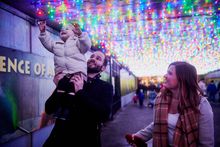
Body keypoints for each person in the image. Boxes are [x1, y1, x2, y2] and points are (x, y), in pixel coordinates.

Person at [126, 61, 214, 147]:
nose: (165, 76)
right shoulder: (161, 99)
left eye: (170, 73)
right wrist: (138, 136)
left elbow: (206, 144)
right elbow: (158, 124)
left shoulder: (201, 104)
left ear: (182, 78)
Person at [43, 51, 113, 147]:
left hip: (86, 140)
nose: (93, 58)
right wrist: (59, 88)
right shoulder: (70, 80)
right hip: (58, 139)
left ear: (103, 68)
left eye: (98, 58)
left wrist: (80, 92)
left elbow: (105, 115)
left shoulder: (105, 87)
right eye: (92, 56)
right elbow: (49, 109)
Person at [38, 20, 91, 119]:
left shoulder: (77, 42)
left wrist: (81, 34)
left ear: (74, 32)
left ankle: (68, 110)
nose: (63, 30)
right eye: (61, 30)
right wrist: (43, 33)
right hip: (63, 74)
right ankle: (60, 110)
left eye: (67, 29)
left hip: (77, 74)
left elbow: (86, 45)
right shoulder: (57, 44)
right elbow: (47, 43)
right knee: (61, 91)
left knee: (71, 91)